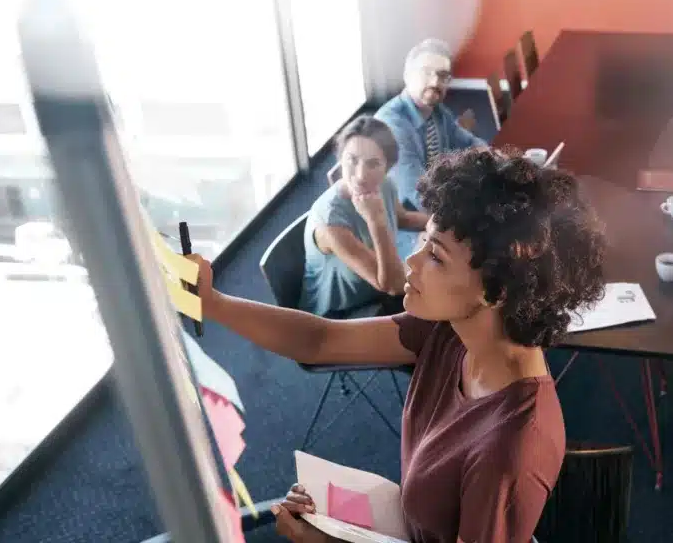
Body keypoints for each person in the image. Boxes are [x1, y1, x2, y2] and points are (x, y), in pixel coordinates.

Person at [189, 147, 607, 542]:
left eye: (436, 256)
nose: (412, 260)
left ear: (497, 290)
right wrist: (214, 303)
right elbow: (321, 340)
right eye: (424, 240)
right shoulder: (450, 330)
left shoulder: (512, 446)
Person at [299, 116, 429, 318]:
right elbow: (393, 286)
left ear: (387, 166)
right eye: (352, 160)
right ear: (340, 158)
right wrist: (376, 221)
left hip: (374, 293)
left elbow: (401, 218)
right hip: (340, 316)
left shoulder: (384, 184)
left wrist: (440, 223)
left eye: (373, 164)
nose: (360, 176)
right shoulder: (330, 223)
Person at [376, 38, 487, 210]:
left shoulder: (438, 112)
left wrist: (491, 159)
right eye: (426, 72)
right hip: (407, 221)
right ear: (407, 75)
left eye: (443, 76)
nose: (435, 82)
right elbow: (419, 197)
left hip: (438, 197)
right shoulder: (391, 126)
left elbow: (470, 143)